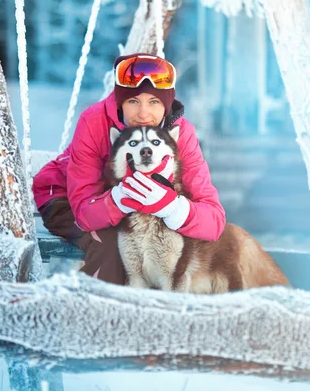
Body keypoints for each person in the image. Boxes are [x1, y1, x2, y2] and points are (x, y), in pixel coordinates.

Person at [33, 53, 226, 285]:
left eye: (154, 102)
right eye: (133, 101)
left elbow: (213, 220)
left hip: (140, 207)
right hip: (65, 198)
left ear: (166, 106)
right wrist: (120, 198)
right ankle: (109, 315)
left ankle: (169, 314)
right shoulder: (94, 121)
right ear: (120, 101)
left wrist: (174, 208)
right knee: (115, 248)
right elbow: (84, 212)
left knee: (179, 248)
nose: (143, 114)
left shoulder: (181, 133)